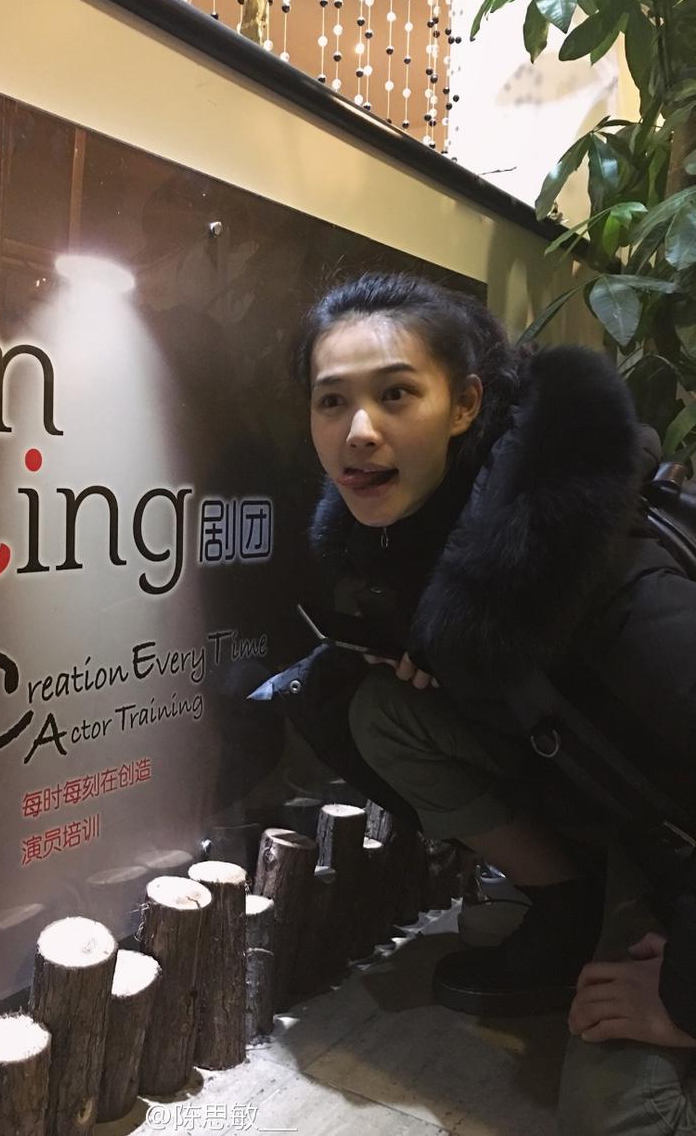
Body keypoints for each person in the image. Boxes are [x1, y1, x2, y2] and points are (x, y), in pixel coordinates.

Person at [292, 271, 696, 1135]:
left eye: (396, 394)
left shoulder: (613, 578)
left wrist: (684, 995)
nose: (358, 432)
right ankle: (569, 905)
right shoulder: (427, 532)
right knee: (366, 706)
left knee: (625, 1117)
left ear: (466, 404)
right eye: (332, 402)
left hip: (676, 844)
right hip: (627, 813)